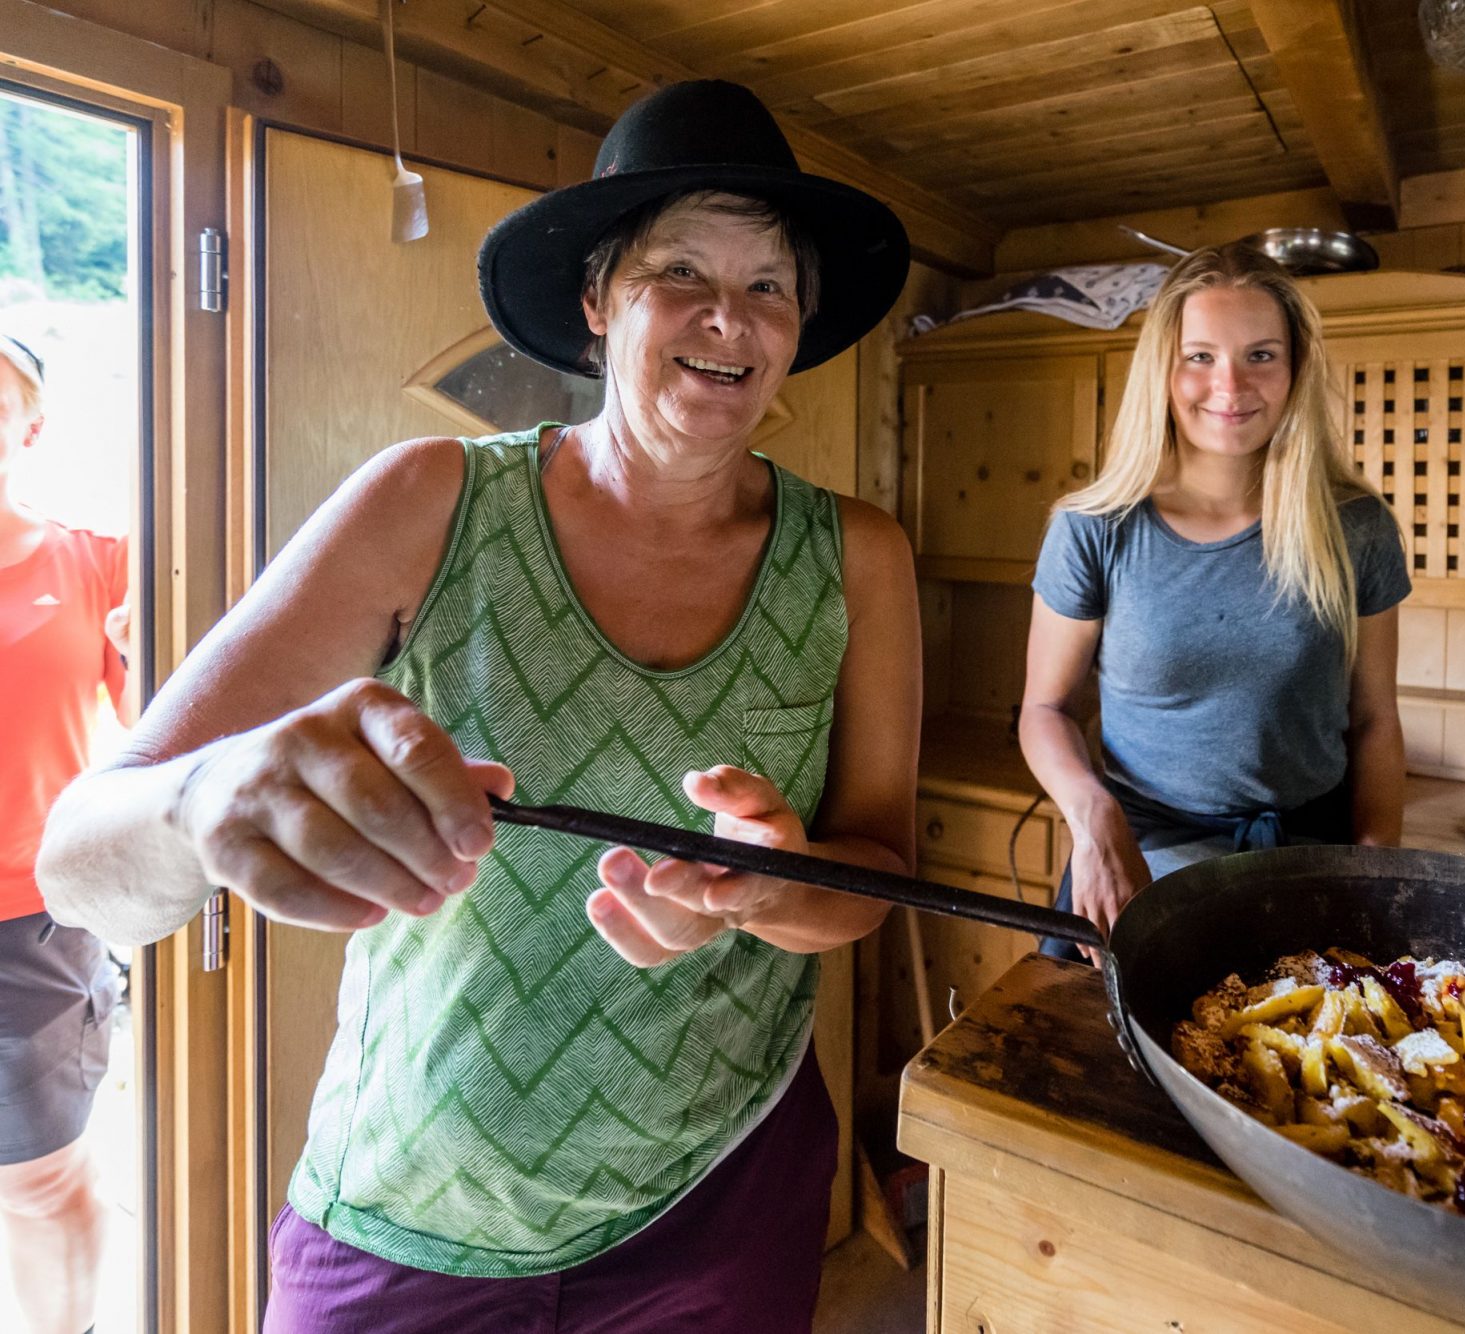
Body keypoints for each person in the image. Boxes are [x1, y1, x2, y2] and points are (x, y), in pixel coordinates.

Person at [36, 80, 920, 1333]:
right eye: (681, 270)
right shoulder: (431, 500)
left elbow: (883, 873)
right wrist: (202, 797)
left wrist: (768, 889)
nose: (731, 316)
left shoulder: (859, 556)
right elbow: (80, 863)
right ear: (598, 301)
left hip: (722, 1192)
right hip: (416, 1199)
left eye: (770, 283)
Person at [1020, 243, 1409, 962]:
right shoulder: (1094, 528)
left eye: (1260, 355)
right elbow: (1045, 711)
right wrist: (1093, 818)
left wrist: (1377, 868)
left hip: (1307, 860)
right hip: (1139, 855)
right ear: (1162, 373)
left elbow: (1375, 719)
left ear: (1295, 371)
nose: (1229, 385)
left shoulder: (1357, 528)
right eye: (1199, 356)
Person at [0, 332, 136, 1334]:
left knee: (38, 1183)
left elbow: (173, 727)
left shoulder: (96, 562)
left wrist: (158, 651)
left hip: (31, 924)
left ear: (29, 427)